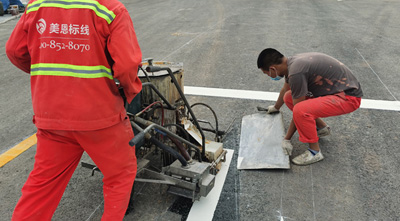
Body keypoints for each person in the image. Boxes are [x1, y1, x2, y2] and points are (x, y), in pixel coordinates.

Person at [6, 0, 142, 220]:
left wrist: (49, 75)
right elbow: (126, 66)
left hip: (52, 117)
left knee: (42, 185)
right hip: (100, 118)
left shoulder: (36, 5)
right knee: (120, 174)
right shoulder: (109, 8)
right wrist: (130, 90)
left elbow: (15, 51)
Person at [257, 48, 363, 165]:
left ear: (272, 69)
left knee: (301, 110)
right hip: (337, 91)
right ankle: (321, 128)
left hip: (348, 98)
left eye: (266, 73)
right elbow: (285, 90)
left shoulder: (296, 72)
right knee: (288, 97)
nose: (268, 76)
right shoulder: (291, 64)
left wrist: (287, 139)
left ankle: (314, 152)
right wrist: (276, 107)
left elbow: (299, 110)